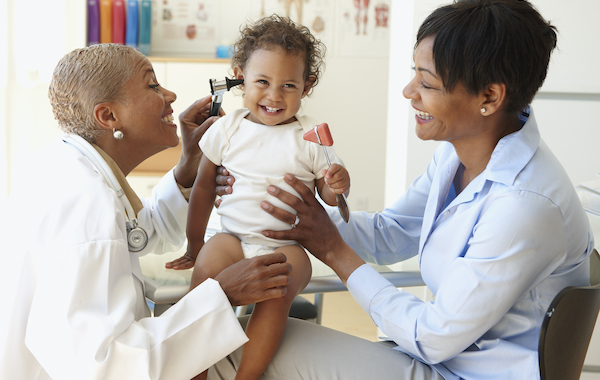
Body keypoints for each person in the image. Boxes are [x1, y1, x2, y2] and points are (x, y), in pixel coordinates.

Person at [210, 1, 595, 379]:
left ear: (490, 97)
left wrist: (333, 250)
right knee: (255, 336)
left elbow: (432, 337)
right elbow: (391, 234)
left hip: (459, 369)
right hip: (440, 356)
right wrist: (288, 217)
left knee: (241, 345)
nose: (408, 91)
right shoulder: (458, 157)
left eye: (427, 82)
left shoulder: (525, 206)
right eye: (415, 73)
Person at [0, 43, 293, 380]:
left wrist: (188, 167)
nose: (170, 95)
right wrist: (223, 294)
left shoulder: (67, 165)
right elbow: (106, 367)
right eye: (152, 85)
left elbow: (135, 237)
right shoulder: (86, 202)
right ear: (109, 116)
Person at [166, 15, 351, 380]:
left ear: (307, 86)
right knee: (206, 277)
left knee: (278, 292)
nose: (274, 95)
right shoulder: (228, 128)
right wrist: (194, 242)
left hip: (288, 246)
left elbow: (329, 196)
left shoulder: (310, 136)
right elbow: (203, 187)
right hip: (232, 238)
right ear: (240, 76)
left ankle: (245, 376)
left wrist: (336, 183)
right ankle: (194, 372)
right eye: (262, 82)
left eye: (288, 86)